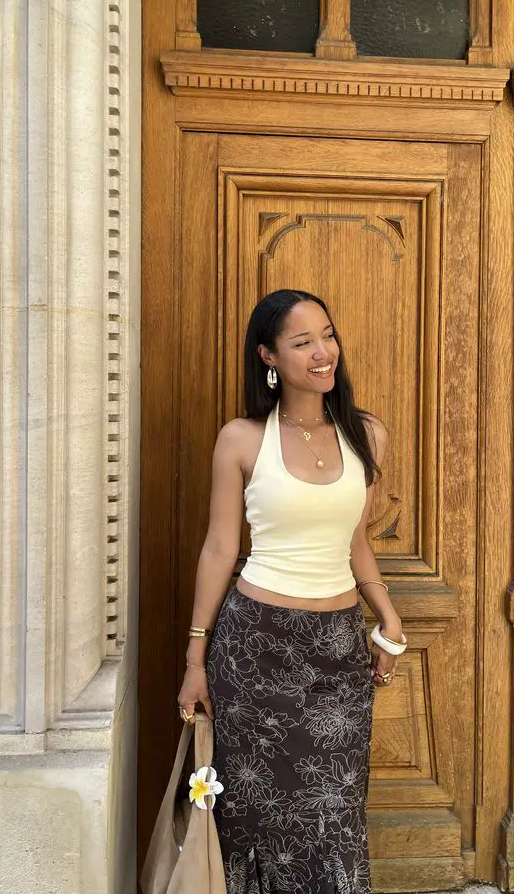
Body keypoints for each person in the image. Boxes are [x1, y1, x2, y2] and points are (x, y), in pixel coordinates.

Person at [177, 288, 407, 894]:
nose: (323, 352)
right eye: (303, 342)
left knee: (334, 818)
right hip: (254, 651)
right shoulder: (241, 438)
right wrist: (195, 659)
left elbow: (355, 540)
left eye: (328, 336)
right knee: (255, 819)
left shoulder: (367, 435)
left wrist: (387, 616)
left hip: (337, 652)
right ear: (269, 356)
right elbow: (220, 549)